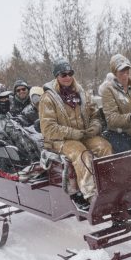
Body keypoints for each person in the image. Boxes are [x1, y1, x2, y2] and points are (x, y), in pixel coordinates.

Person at [39, 59, 112, 208]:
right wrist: (72, 133)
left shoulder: (82, 92)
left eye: (70, 73)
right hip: (60, 140)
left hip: (84, 135)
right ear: (56, 76)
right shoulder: (48, 98)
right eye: (63, 74)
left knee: (104, 146)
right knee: (81, 153)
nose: (67, 77)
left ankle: (109, 185)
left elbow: (95, 115)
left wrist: (95, 127)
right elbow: (48, 128)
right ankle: (91, 194)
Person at [0, 82, 42, 168]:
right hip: (26, 165)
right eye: (2, 99)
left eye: (7, 98)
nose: (7, 101)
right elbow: (31, 150)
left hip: (9, 161)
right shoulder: (6, 126)